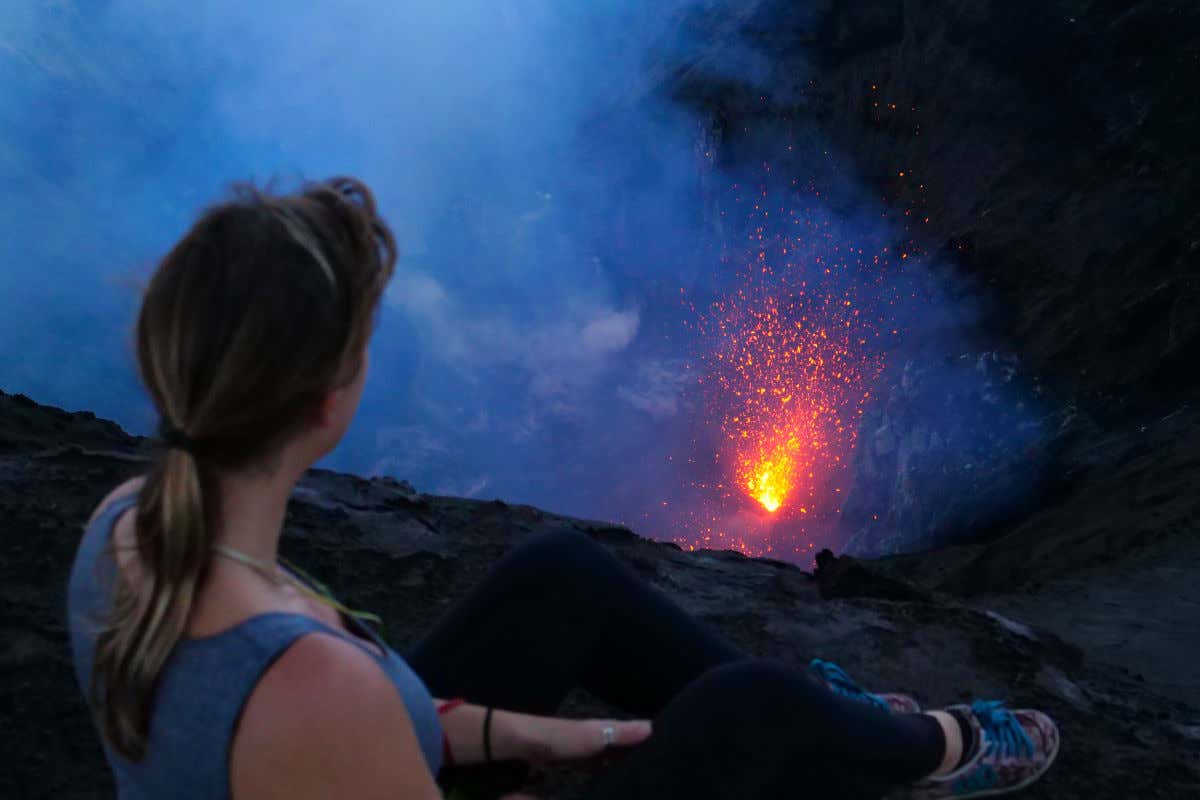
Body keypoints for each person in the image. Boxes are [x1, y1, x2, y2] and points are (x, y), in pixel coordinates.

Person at [66, 175, 1059, 800]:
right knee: (750, 705)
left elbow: (373, 714)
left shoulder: (130, 527)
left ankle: (836, 729)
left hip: (339, 749)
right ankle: (932, 751)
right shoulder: (317, 687)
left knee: (563, 574)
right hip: (342, 748)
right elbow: (343, 714)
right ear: (329, 401)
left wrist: (580, 735)